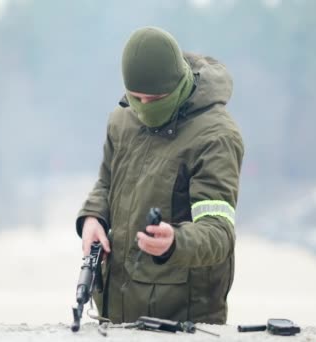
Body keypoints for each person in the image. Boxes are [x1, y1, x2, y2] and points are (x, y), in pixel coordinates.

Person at [75, 26, 244, 324]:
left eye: (155, 99)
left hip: (183, 321)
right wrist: (93, 219)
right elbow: (105, 183)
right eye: (136, 98)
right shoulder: (122, 119)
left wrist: (174, 242)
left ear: (177, 84)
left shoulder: (216, 137)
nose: (144, 108)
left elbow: (219, 232)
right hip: (114, 318)